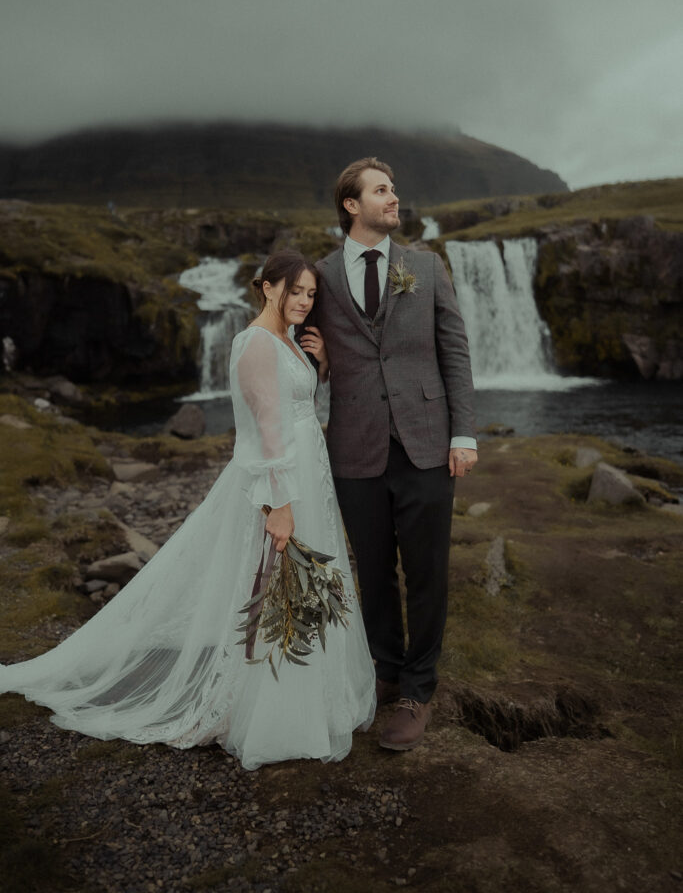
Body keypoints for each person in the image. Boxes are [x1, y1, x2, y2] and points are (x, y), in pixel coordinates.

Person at [0, 251, 376, 771]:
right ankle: (251, 707)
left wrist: (322, 364)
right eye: (296, 291)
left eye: (311, 294)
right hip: (280, 485)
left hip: (309, 479)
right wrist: (281, 507)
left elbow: (298, 407)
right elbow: (267, 433)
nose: (305, 302)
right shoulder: (254, 344)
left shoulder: (289, 342)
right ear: (268, 288)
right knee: (267, 587)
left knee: (295, 588)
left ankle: (303, 696)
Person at [314, 157, 477, 752]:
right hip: (354, 445)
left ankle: (418, 688)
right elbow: (302, 345)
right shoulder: (322, 276)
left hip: (428, 441)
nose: (394, 198)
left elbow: (454, 351)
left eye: (394, 189)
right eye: (381, 190)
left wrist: (465, 434)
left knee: (427, 571)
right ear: (351, 205)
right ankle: (383, 671)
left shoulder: (426, 267)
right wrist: (317, 360)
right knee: (373, 569)